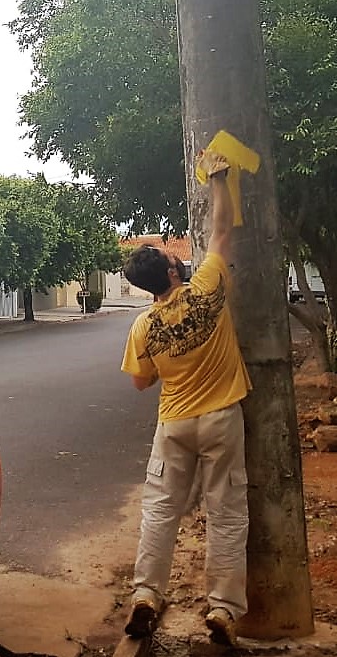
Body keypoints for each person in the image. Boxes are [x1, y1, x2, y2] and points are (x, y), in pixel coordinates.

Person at [120, 150, 251, 647]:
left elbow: (139, 382)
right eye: (176, 260)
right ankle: (220, 609)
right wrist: (218, 178)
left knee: (160, 511)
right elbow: (221, 231)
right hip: (221, 418)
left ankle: (146, 597)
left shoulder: (143, 326)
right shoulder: (207, 289)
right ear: (174, 274)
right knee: (226, 511)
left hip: (173, 425)